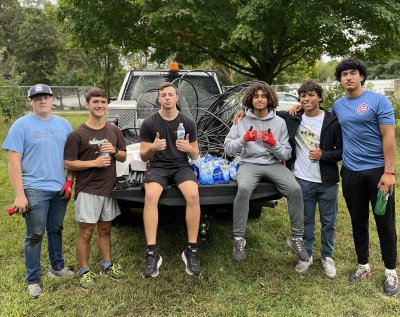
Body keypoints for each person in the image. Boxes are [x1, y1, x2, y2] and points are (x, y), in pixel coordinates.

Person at [332, 58, 398, 296]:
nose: (348, 77)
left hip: (378, 173)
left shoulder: (377, 101)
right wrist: (295, 108)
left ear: (361, 76)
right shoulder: (338, 106)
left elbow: (388, 137)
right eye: (344, 75)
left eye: (353, 73)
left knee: (385, 222)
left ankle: (391, 272)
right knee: (358, 221)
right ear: (340, 81)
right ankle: (364, 266)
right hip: (350, 172)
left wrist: (389, 172)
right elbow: (319, 119)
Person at [2, 84, 75, 298]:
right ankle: (32, 280)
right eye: (37, 98)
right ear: (31, 101)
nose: (42, 101)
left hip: (59, 188)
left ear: (53, 100)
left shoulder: (64, 124)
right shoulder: (21, 126)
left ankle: (57, 268)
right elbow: (13, 162)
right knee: (35, 234)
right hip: (34, 189)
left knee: (56, 230)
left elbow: (69, 157)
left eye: (46, 97)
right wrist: (19, 195)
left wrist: (69, 181)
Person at [224, 82, 309, 263]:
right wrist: (244, 139)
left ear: (269, 99)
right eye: (256, 96)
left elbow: (286, 153)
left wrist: (273, 144)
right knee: (244, 188)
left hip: (273, 164)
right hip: (249, 163)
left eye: (263, 96)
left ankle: (297, 239)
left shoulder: (279, 122)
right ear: (250, 100)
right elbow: (228, 147)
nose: (260, 99)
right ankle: (239, 238)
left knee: (295, 189)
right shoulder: (241, 120)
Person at [277, 80, 342, 278]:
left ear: (320, 98)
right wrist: (242, 112)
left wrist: (324, 155)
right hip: (301, 179)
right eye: (303, 95)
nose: (307, 99)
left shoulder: (332, 121)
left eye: (311, 95)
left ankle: (327, 257)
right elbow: (264, 111)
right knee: (305, 220)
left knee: (328, 221)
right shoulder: (293, 118)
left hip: (327, 181)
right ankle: (307, 256)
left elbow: (342, 151)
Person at [64, 88, 127, 290]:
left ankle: (107, 265)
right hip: (88, 189)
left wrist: (115, 151)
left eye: (103, 102)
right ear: (87, 104)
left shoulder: (113, 130)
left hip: (109, 188)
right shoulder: (78, 134)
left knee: (106, 229)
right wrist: (94, 163)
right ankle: (84, 271)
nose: (100, 105)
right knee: (86, 232)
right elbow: (68, 163)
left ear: (107, 105)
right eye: (96, 102)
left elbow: (124, 155)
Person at [139, 82, 201, 277]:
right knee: (150, 196)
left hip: (181, 166)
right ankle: (152, 253)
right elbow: (143, 156)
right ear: (158, 99)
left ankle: (191, 250)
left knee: (193, 196)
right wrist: (153, 148)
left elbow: (196, 155)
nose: (167, 97)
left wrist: (189, 149)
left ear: (177, 98)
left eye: (170, 94)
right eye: (163, 95)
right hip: (159, 167)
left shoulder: (188, 122)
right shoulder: (149, 123)